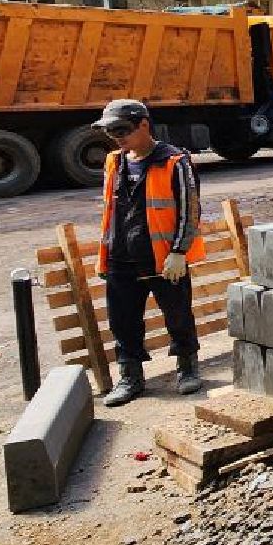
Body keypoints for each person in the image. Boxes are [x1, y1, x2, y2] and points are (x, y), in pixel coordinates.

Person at [94, 99, 206, 405]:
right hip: (122, 258)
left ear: (144, 125)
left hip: (163, 258)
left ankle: (187, 368)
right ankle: (130, 378)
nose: (117, 137)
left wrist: (179, 251)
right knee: (122, 321)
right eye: (111, 132)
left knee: (178, 316)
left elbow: (190, 208)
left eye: (122, 130)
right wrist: (104, 256)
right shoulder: (114, 161)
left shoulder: (174, 160)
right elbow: (110, 212)